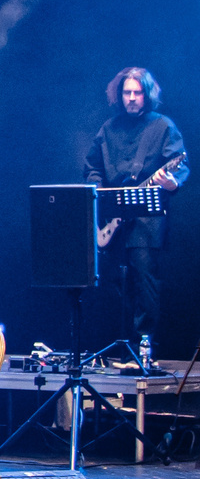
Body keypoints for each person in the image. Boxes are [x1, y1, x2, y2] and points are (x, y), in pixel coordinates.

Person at [82, 65, 185, 350]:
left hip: (146, 222)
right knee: (117, 281)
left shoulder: (162, 127)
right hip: (114, 219)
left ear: (146, 94)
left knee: (145, 281)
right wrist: (101, 192)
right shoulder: (108, 129)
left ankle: (144, 346)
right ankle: (124, 345)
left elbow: (180, 165)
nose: (131, 98)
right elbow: (92, 167)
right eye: (126, 92)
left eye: (137, 93)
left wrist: (171, 183)